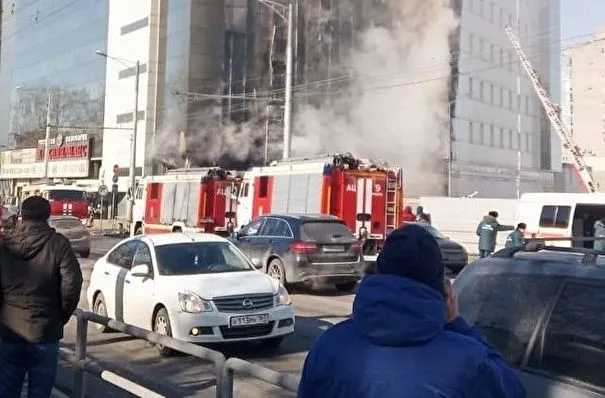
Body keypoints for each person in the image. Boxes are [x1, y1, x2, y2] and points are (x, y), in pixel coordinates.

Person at [298, 224, 526, 398]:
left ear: (378, 274)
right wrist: (458, 324)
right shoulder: (471, 360)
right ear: (443, 290)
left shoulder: (328, 346)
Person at [0, 196, 83, 398]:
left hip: (9, 329)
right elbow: (72, 284)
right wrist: (60, 315)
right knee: (40, 391)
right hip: (45, 330)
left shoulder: (5, 245)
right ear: (47, 216)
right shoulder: (58, 245)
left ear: (22, 215)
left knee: (7, 389)